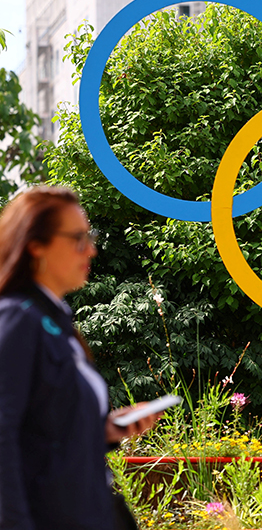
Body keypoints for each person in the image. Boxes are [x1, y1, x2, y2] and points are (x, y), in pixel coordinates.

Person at [0, 186, 160, 530]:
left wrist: (105, 430)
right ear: (35, 244)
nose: (91, 249)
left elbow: (43, 436)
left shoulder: (55, 321)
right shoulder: (18, 320)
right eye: (77, 238)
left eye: (90, 236)